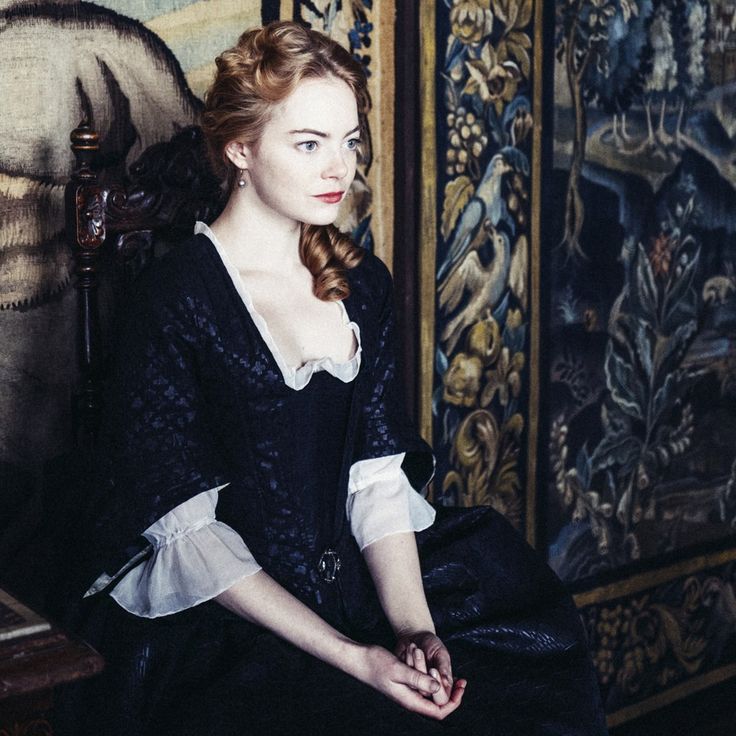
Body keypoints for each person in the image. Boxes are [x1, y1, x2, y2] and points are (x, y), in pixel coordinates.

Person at [60, 21, 608, 736]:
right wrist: (361, 660)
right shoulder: (176, 299)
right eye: (308, 144)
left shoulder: (360, 284)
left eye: (349, 142)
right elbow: (189, 536)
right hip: (232, 618)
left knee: (515, 696)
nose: (339, 169)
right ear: (240, 148)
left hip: (362, 584)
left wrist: (412, 631)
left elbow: (375, 481)